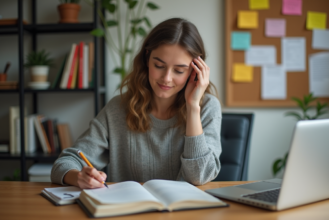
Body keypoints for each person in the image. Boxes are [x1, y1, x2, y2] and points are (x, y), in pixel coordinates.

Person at [51, 17, 222, 189]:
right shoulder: (118, 108)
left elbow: (199, 176)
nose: (167, 78)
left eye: (179, 70)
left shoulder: (207, 108)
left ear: (195, 70)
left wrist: (193, 107)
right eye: (159, 65)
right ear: (147, 59)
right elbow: (64, 163)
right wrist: (78, 177)